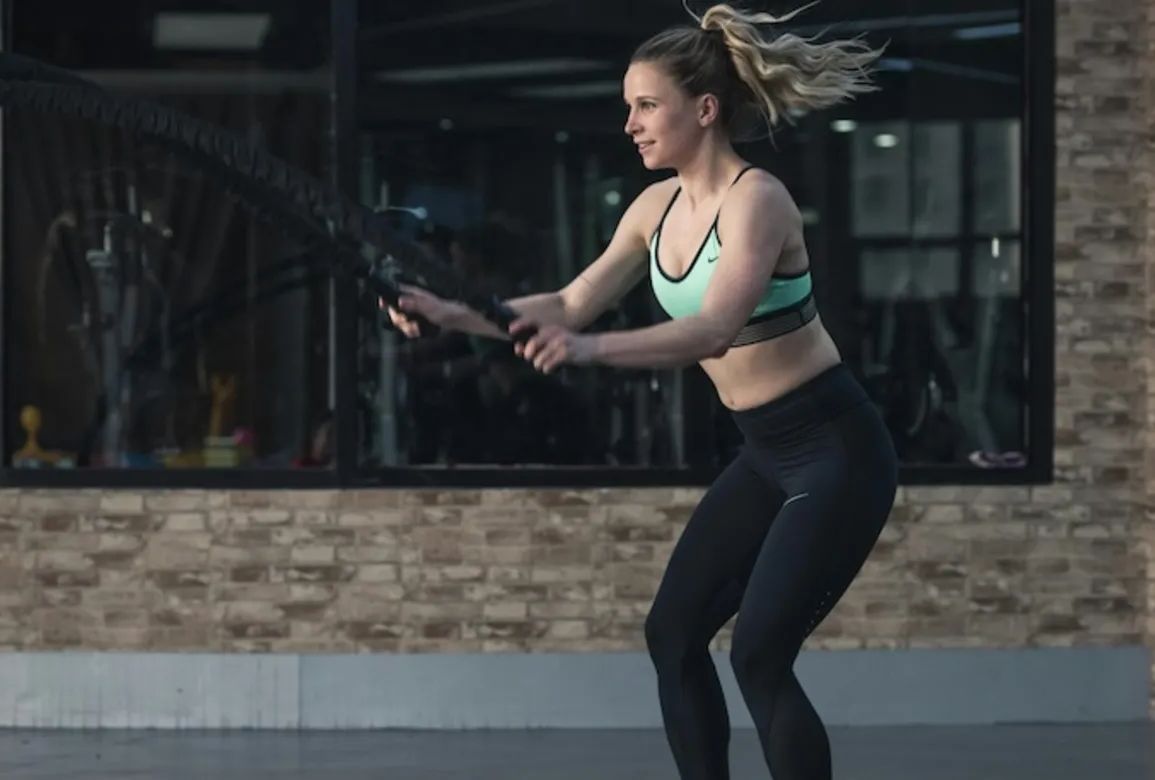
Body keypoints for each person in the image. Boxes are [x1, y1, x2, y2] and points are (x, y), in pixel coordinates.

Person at [379, 4, 894, 780]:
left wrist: (588, 351)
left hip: (836, 452)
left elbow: (713, 328)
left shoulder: (757, 200)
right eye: (629, 107)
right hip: (765, 454)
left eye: (647, 105)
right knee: (674, 634)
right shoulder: (654, 209)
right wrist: (450, 312)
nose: (630, 125)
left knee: (758, 655)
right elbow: (569, 303)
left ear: (705, 110)